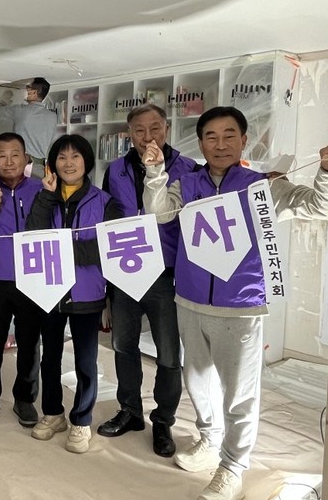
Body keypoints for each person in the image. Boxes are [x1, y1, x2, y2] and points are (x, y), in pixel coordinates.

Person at [142, 106, 328, 500]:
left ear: (244, 140)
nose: (220, 144)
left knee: (239, 393)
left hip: (241, 304)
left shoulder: (262, 186)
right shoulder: (187, 182)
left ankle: (232, 466)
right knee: (197, 381)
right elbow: (159, 212)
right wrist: (155, 172)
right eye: (211, 137)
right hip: (190, 300)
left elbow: (320, 206)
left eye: (229, 135)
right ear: (200, 144)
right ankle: (209, 438)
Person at [97, 103, 199, 458]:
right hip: (125, 269)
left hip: (167, 273)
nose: (147, 136)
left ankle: (163, 420)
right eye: (139, 130)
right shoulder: (115, 170)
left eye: (155, 127)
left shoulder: (188, 169)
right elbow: (107, 219)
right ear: (129, 134)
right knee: (123, 345)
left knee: (169, 353)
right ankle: (130, 410)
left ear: (166, 128)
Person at [25, 134, 122, 454]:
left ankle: (81, 420)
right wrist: (46, 196)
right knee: (50, 357)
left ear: (86, 161)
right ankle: (53, 414)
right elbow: (33, 236)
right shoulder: (45, 196)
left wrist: (64, 251)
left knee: (85, 361)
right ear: (52, 164)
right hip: (50, 290)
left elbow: (107, 247)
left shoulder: (104, 201)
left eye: (75, 156)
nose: (68, 163)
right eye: (62, 157)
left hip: (87, 292)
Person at [0, 132, 45, 428]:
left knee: (30, 341)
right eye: (2, 155)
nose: (9, 161)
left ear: (26, 157)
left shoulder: (41, 188)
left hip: (32, 276)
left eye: (15, 154)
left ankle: (25, 399)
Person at [0, 77, 56, 179]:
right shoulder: (53, 116)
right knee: (36, 189)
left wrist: (5, 100)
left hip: (23, 165)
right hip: (41, 168)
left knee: (15, 188)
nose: (26, 89)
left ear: (34, 92)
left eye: (28, 87)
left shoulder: (20, 111)